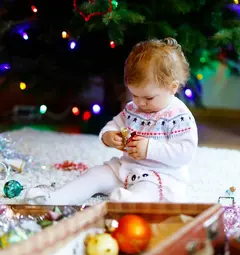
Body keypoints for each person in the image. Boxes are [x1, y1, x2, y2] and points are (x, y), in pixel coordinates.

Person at [25, 37, 198, 205]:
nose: (140, 102)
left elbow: (185, 153)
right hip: (125, 168)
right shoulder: (134, 108)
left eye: (148, 97)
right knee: (95, 174)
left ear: (172, 88)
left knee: (148, 191)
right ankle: (55, 198)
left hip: (160, 176)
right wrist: (108, 136)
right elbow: (115, 123)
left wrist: (150, 149)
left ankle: (131, 201)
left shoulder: (178, 117)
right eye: (134, 95)